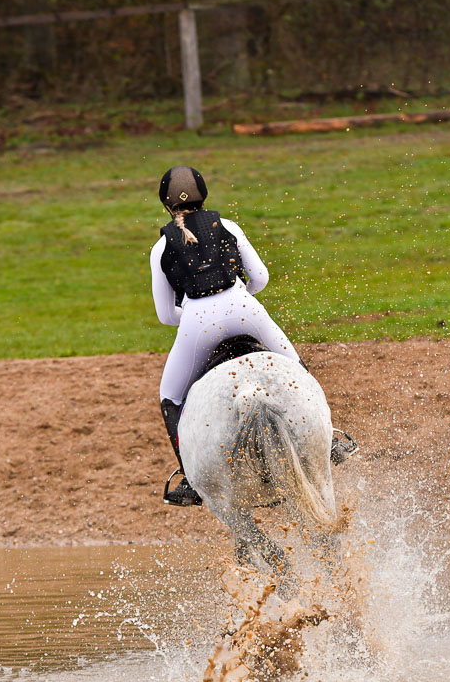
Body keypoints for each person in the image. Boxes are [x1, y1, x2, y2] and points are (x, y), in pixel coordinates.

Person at [151, 165, 356, 507]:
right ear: (204, 195)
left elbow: (164, 315)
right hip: (246, 310)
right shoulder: (227, 226)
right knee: (296, 368)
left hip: (198, 325)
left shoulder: (160, 249)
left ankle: (189, 476)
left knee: (170, 397)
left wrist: (194, 313)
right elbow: (260, 277)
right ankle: (329, 439)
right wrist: (239, 295)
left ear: (165, 205)